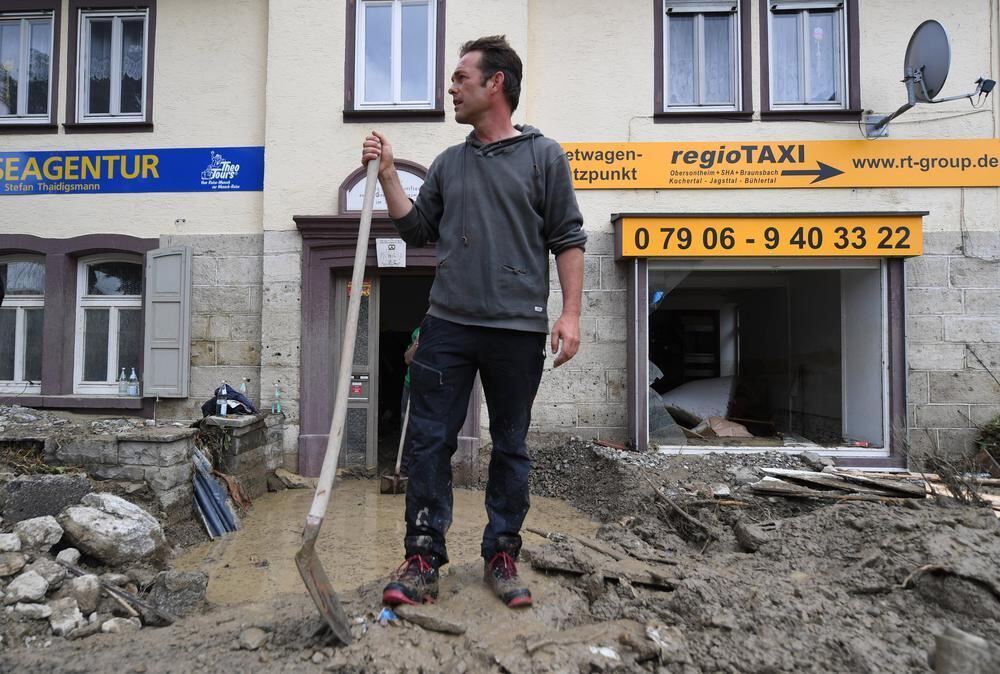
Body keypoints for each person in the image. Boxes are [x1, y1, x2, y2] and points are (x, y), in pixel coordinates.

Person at [361, 34, 586, 610]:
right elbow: (418, 230)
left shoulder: (543, 157)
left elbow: (567, 237)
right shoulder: (448, 163)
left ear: (496, 83)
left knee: (510, 445)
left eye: (461, 78)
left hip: (517, 327)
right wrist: (388, 175)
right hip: (448, 325)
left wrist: (570, 313)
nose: (451, 88)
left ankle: (502, 555)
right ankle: (422, 558)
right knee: (429, 442)